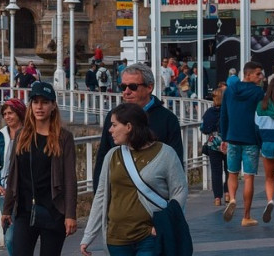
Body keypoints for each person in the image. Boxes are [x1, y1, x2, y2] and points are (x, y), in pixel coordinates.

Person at [80, 102, 188, 256]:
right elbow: (101, 196)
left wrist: (166, 224)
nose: (110, 130)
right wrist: (88, 236)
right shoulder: (112, 156)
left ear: (129, 127)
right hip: (116, 239)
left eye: (114, 125)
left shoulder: (166, 154)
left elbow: (180, 191)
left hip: (149, 236)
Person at [1, 81, 77, 255]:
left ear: (53, 106)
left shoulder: (64, 137)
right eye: (35, 102)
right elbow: (13, 173)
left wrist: (70, 215)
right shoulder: (22, 135)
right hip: (25, 210)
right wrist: (7, 208)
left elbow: (70, 179)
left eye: (45, 102)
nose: (39, 107)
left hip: (54, 210)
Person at [93, 62, 183, 191]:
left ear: (149, 87)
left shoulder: (168, 120)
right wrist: (99, 195)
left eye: (133, 87)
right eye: (123, 87)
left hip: (153, 200)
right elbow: (103, 156)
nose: (126, 92)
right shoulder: (113, 117)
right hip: (119, 199)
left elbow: (176, 165)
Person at [220, 60, 265, 226]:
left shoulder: (230, 90)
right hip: (251, 139)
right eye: (258, 74)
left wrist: (224, 137)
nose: (261, 77)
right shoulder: (258, 92)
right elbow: (261, 117)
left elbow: (223, 115)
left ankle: (232, 198)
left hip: (232, 138)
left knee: (232, 173)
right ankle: (246, 216)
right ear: (248, 74)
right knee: (249, 178)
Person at [0, 98, 26, 256]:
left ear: (19, 113)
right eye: (5, 114)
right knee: (10, 237)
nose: (7, 117)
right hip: (5, 190)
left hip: (25, 189)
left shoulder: (29, 133)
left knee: (24, 236)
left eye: (10, 113)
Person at [255, 75, 274, 224]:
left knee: (269, 178)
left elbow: (256, 127)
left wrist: (261, 144)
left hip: (268, 144)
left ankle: (270, 201)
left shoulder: (261, 106)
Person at [201, 87, 227, 207]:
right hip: (227, 143)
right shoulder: (228, 111)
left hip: (213, 144)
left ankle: (217, 198)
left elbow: (203, 129)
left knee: (216, 171)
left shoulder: (209, 112)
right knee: (229, 170)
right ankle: (228, 193)